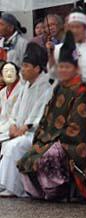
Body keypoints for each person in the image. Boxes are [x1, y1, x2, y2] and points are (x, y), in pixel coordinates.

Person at [18, 32, 86, 201]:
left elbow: (78, 126)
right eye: (61, 67)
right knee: (29, 154)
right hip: (55, 136)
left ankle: (56, 192)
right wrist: (43, 134)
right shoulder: (58, 88)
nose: (63, 70)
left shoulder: (81, 91)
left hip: (76, 142)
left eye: (67, 67)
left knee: (50, 154)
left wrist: (54, 138)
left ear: (76, 68)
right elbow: (47, 116)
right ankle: (39, 192)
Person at [0, 44, 52, 197]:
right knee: (5, 141)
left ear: (37, 68)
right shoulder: (25, 86)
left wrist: (25, 127)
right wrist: (14, 126)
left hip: (35, 135)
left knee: (14, 146)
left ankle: (13, 188)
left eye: (26, 66)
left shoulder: (46, 88)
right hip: (20, 131)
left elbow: (40, 116)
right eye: (22, 65)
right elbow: (15, 112)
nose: (22, 69)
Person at [48, 10, 86, 102]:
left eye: (78, 27)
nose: (74, 30)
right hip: (62, 99)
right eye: (71, 27)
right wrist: (51, 56)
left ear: (84, 29)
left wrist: (72, 71)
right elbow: (52, 74)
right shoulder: (58, 49)